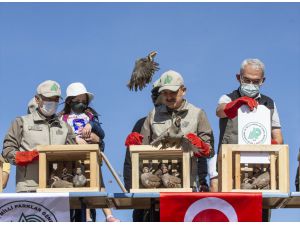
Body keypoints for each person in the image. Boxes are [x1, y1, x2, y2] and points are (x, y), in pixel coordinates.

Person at [216, 58, 283, 221]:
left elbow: (278, 137)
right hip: (230, 167)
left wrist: (270, 144)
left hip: (260, 169)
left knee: (259, 215)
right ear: (238, 77)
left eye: (256, 81)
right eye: (247, 80)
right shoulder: (228, 97)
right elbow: (220, 111)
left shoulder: (269, 103)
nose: (251, 84)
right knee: (231, 212)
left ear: (263, 81)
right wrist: (236, 104)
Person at [139, 70, 215, 192]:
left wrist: (202, 147)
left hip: (187, 182)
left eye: (173, 92)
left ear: (183, 90)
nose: (169, 97)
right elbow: (142, 148)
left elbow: (209, 152)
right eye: (164, 93)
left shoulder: (197, 114)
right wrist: (135, 143)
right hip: (156, 183)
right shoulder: (153, 115)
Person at [2, 80, 76, 193]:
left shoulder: (65, 127)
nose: (53, 102)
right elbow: (7, 152)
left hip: (59, 189)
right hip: (29, 188)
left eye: (56, 99)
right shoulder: (21, 122)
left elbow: (73, 156)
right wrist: (29, 156)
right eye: (48, 99)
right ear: (37, 99)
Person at [60, 82, 119, 222]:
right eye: (77, 101)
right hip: (71, 158)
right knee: (81, 184)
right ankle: (85, 216)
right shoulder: (62, 118)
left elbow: (101, 134)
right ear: (69, 101)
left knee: (97, 183)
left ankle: (108, 215)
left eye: (83, 101)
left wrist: (91, 126)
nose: (81, 104)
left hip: (90, 155)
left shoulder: (90, 116)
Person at [123, 79, 162, 222]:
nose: (156, 97)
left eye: (159, 93)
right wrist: (129, 189)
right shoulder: (141, 124)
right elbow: (129, 158)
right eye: (154, 94)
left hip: (172, 194)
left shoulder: (181, 123)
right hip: (144, 193)